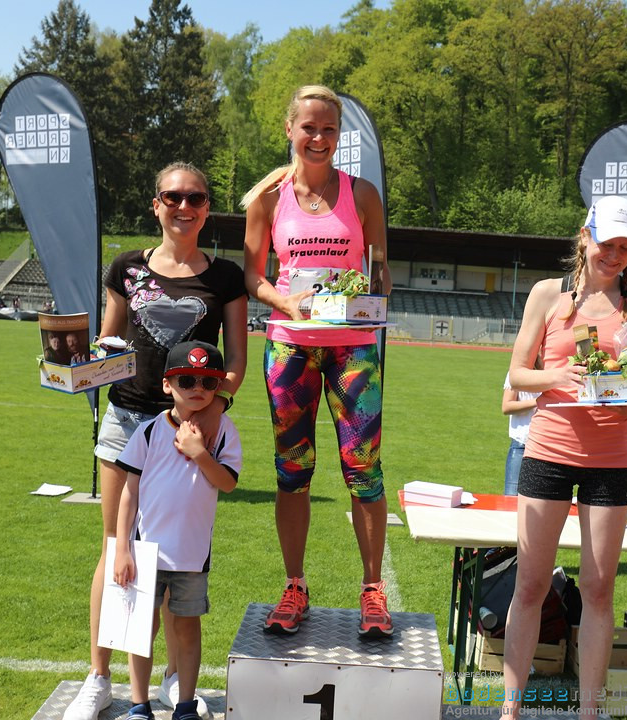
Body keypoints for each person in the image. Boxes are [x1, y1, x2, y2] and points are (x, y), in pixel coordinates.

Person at [63, 162, 247, 720]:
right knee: (117, 548)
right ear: (156, 204)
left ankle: (174, 679)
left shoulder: (225, 277)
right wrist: (74, 365)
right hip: (127, 418)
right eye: (173, 196)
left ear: (207, 207)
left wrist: (212, 411)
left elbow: (235, 362)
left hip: (192, 426)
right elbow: (108, 343)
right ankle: (99, 677)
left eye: (195, 197)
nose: (184, 206)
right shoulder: (126, 267)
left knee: (177, 555)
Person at [499, 196, 627, 718]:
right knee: (531, 582)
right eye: (607, 243)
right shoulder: (548, 295)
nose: (613, 255)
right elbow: (519, 374)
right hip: (548, 449)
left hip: (612, 459)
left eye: (624, 248)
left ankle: (589, 711)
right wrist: (556, 377)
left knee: (597, 588)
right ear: (585, 236)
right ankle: (510, 708)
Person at [241, 85, 393, 638]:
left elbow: (380, 272)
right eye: (309, 127)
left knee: (364, 471)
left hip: (352, 349)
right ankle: (295, 584)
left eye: (330, 129)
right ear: (290, 130)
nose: (319, 138)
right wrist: (287, 301)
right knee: (292, 472)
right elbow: (253, 276)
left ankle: (372, 590)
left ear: (339, 136)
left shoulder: (364, 194)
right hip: (289, 346)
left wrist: (369, 300)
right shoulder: (267, 199)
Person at [114, 341, 241, 720]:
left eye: (208, 381)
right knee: (142, 630)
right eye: (186, 379)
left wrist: (200, 451)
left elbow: (228, 483)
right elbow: (129, 494)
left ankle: (185, 703)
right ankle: (139, 705)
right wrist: (122, 549)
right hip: (145, 553)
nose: (197, 387)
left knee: (187, 630)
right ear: (168, 385)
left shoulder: (223, 432)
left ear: (218, 388)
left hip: (191, 554)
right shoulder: (150, 432)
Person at [502, 370, 540, 496]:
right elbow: (506, 406)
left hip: (548, 446)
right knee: (511, 498)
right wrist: (538, 401)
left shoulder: (555, 370)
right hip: (521, 443)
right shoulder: (517, 373)